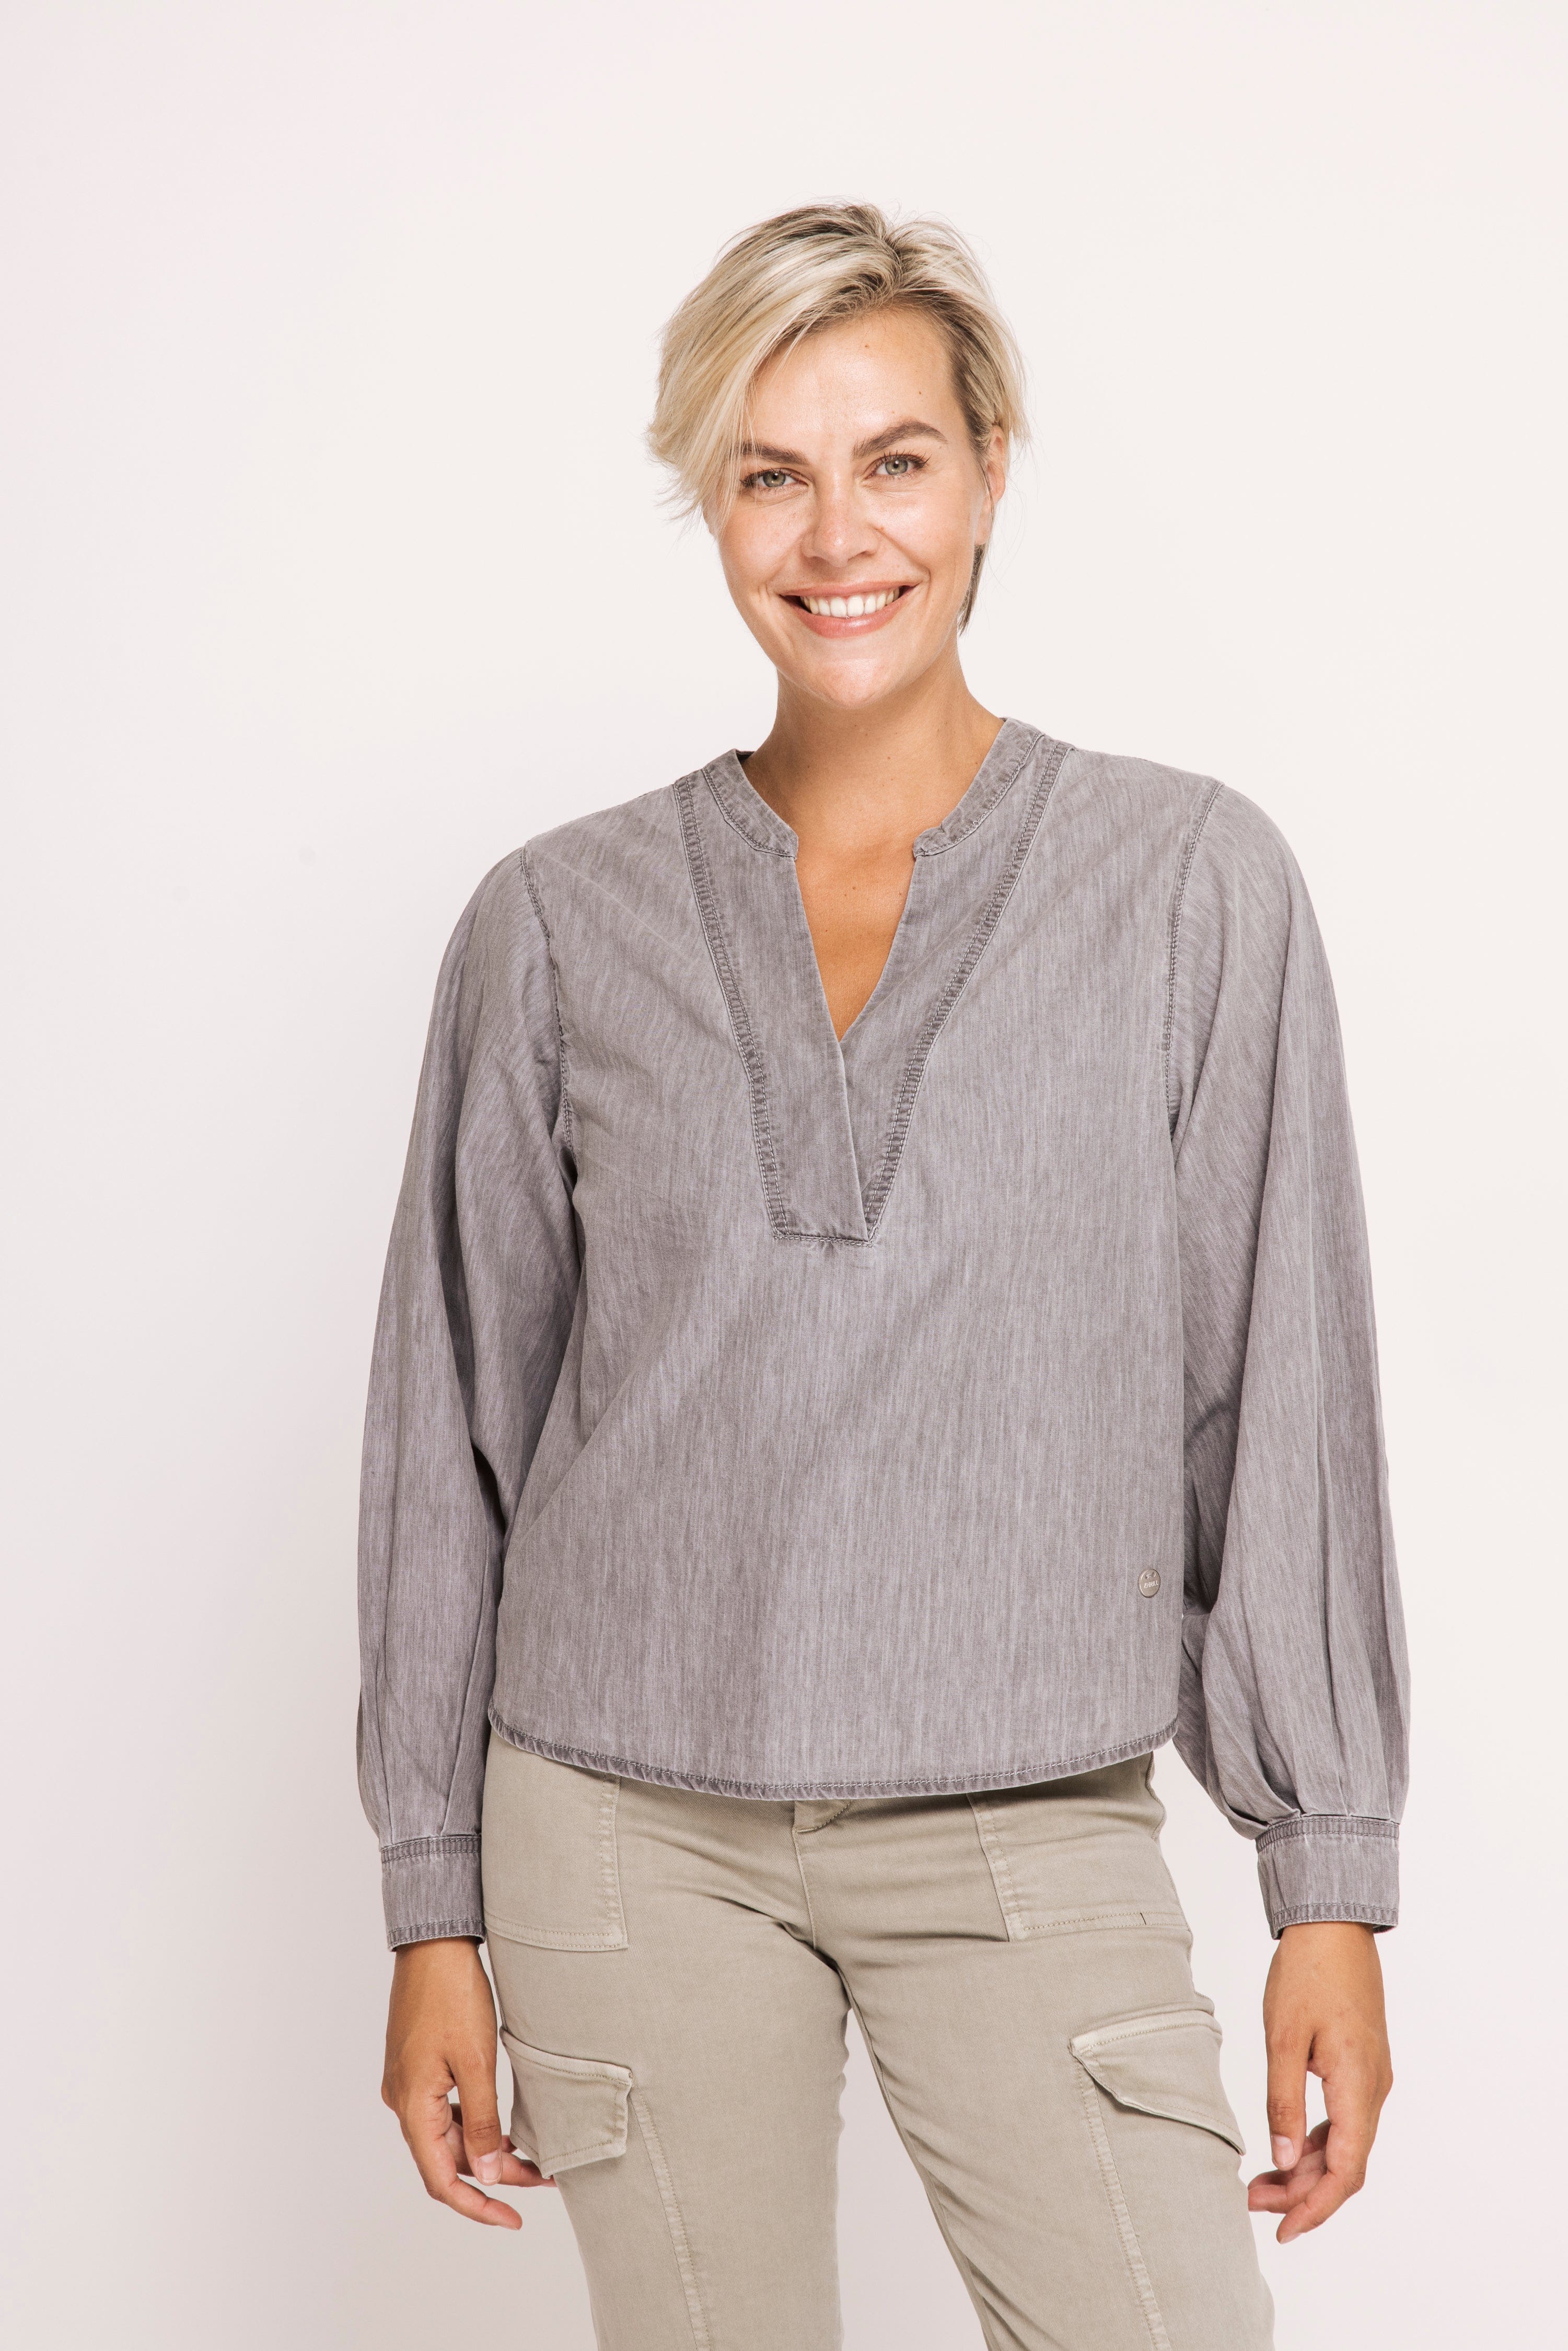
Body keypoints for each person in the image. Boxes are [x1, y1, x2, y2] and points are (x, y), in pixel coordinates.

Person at [358, 203, 1407, 2349]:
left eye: (895, 460)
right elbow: (448, 1435)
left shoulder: (1186, 885)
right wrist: (431, 1905)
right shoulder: (554, 926)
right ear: (713, 502)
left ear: (991, 469)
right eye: (771, 472)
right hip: (621, 1828)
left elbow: (1273, 1380)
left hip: (1029, 1818)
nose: (836, 534)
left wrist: (1326, 1876)